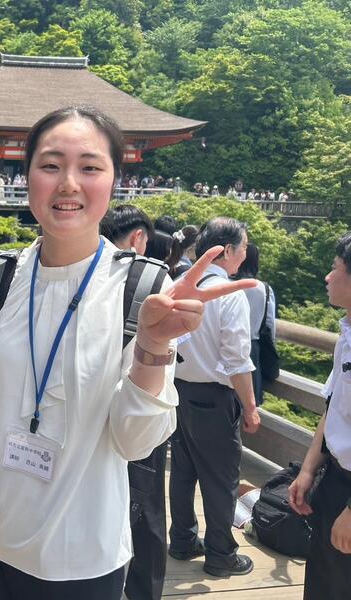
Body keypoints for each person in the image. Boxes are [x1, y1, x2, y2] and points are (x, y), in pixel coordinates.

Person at [0, 106, 255, 599]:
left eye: (89, 167)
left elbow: (135, 442)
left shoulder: (141, 286)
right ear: (27, 175)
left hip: (84, 552)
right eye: (50, 165)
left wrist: (152, 347)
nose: (68, 183)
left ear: (114, 180)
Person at [169, 217, 261, 578]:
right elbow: (237, 360)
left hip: (178, 391)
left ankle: (182, 541)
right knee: (221, 479)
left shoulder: (180, 285)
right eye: (244, 247)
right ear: (229, 250)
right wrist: (250, 407)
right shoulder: (230, 294)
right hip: (214, 398)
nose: (245, 254)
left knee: (183, 471)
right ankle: (221, 555)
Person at [100, 203, 169, 600]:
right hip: (142, 409)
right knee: (148, 510)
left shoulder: (80, 274)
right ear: (139, 237)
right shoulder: (151, 281)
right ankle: (144, 590)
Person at [289, 233, 351, 599]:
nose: (327, 276)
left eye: (335, 267)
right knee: (323, 582)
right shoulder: (346, 332)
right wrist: (308, 470)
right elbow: (333, 407)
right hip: (334, 480)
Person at [232, 243, 275, 406]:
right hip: (252, 348)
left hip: (224, 343)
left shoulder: (225, 283)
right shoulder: (264, 288)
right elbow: (269, 324)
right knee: (247, 402)